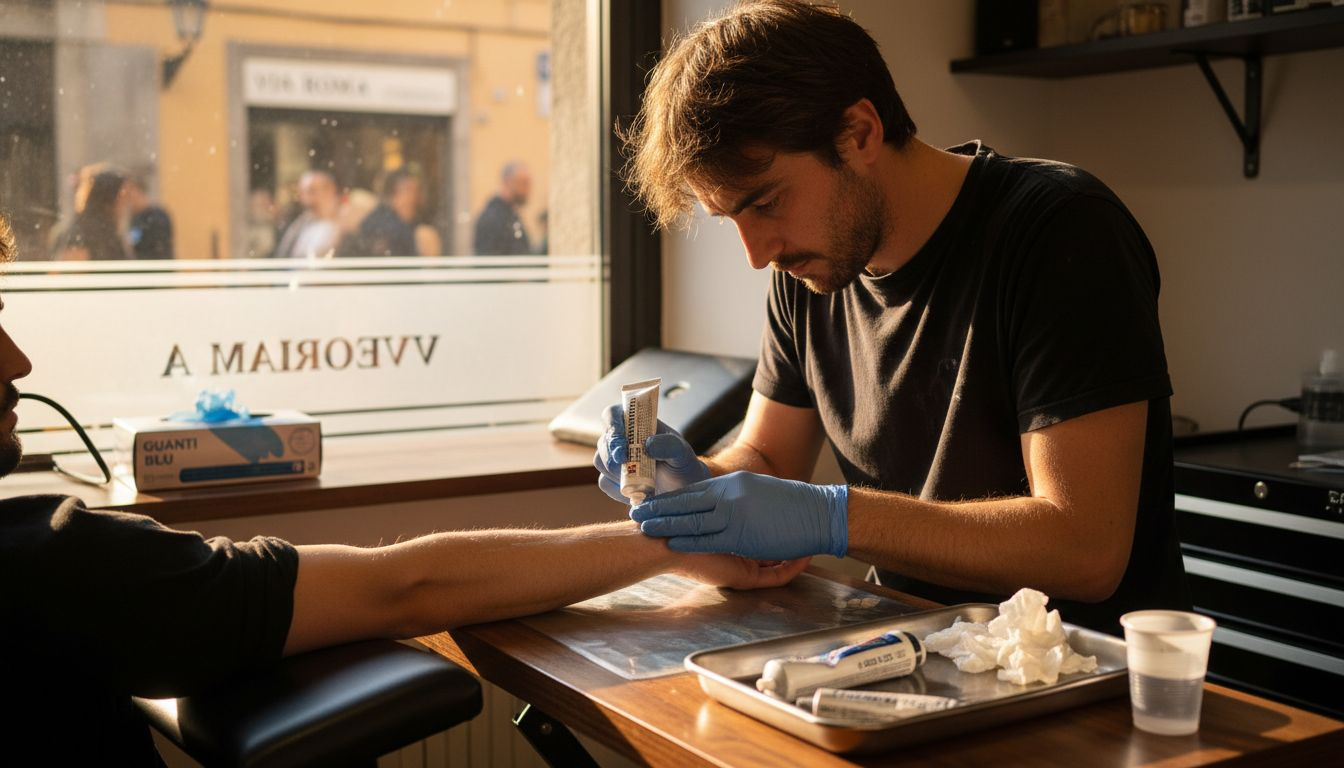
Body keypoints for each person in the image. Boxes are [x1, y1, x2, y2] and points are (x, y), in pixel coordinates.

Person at [0, 212, 807, 764]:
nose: (18, 364)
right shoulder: (47, 565)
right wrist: (671, 539)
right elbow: (406, 586)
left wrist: (688, 514)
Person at [596, 0, 1189, 634]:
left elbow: (1084, 550)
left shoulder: (1060, 230)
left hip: (1078, 673)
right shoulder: (810, 269)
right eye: (731, 220)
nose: (757, 253)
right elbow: (770, 457)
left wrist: (834, 517)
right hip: (913, 647)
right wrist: (692, 482)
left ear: (859, 133)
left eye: (766, 203)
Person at [340, 169, 431, 257]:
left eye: (416, 191)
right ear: (392, 196)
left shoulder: (418, 227)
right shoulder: (380, 225)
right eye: (407, 190)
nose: (412, 198)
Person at [52, 168, 132, 260]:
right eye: (123, 195)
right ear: (109, 196)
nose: (127, 202)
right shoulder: (83, 231)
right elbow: (71, 270)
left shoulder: (109, 229)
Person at [273, 169, 342, 258]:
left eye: (311, 191)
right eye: (302, 193)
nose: (306, 199)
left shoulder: (345, 224)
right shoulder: (300, 222)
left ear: (330, 190)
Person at [473, 161, 533, 255]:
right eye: (523, 183)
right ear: (507, 182)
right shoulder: (493, 218)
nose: (527, 189)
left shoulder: (510, 215)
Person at [124, 172, 175, 260]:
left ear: (137, 191)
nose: (126, 198)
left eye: (129, 193)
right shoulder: (135, 217)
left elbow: (158, 249)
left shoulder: (157, 216)